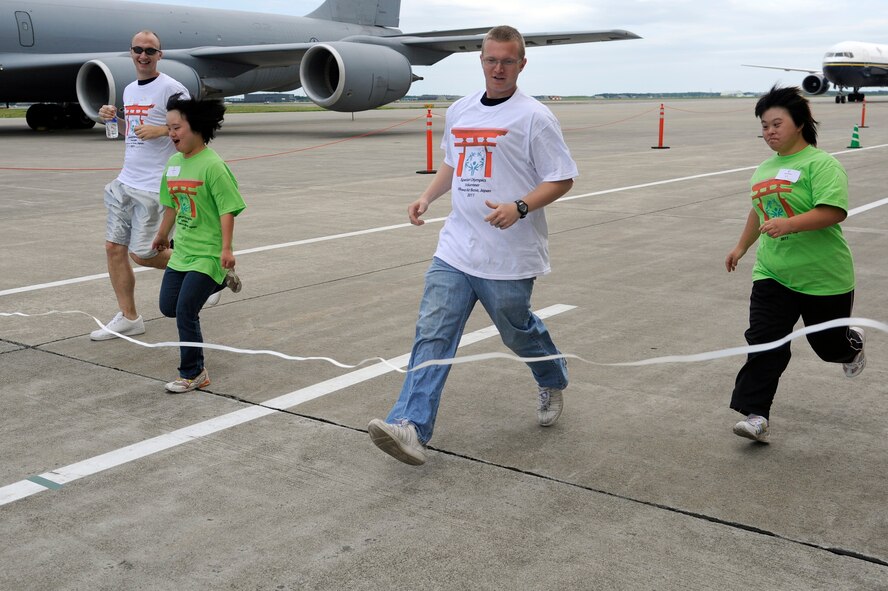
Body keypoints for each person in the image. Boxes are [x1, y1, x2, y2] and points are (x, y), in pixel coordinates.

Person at [367, 25, 577, 465]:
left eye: (507, 61)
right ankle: (410, 426)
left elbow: (561, 178)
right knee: (433, 333)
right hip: (456, 248)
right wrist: (427, 196)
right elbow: (452, 163)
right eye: (491, 60)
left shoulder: (534, 116)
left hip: (509, 253)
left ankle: (551, 373)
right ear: (480, 61)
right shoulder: (461, 110)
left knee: (516, 331)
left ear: (521, 63)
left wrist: (520, 207)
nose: (498, 68)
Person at [725, 85, 865, 443]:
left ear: (800, 123)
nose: (769, 132)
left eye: (777, 124)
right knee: (763, 343)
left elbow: (833, 211)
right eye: (764, 126)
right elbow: (759, 212)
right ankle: (756, 415)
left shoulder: (822, 164)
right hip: (773, 274)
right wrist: (741, 247)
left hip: (823, 276)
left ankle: (851, 345)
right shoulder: (764, 169)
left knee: (829, 348)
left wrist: (788, 224)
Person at [90, 30, 196, 341]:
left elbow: (192, 126)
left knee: (143, 254)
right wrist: (111, 119)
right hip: (125, 181)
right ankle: (129, 317)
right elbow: (133, 133)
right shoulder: (128, 90)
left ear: (160, 55)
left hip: (154, 185)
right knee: (113, 248)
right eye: (138, 49)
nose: (143, 55)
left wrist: (164, 130)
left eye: (150, 50)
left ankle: (205, 271)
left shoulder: (172, 89)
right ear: (131, 52)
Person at [151, 95, 245, 393]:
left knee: (186, 311)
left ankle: (193, 373)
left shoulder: (213, 166)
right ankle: (219, 282)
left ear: (197, 127)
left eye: (177, 127)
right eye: (168, 128)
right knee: (168, 307)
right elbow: (171, 204)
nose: (171, 133)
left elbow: (227, 209)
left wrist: (226, 249)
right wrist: (162, 234)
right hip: (183, 251)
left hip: (208, 252)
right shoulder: (174, 163)